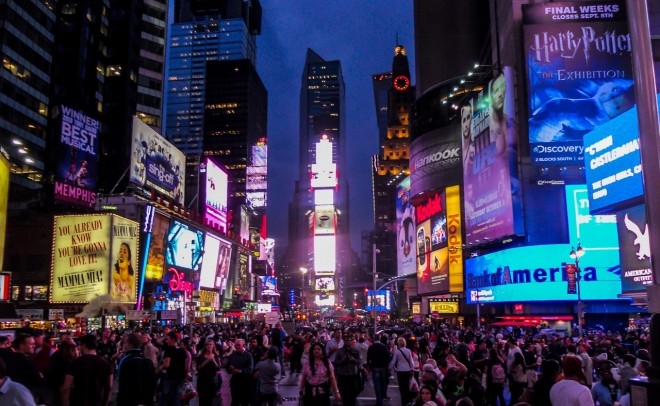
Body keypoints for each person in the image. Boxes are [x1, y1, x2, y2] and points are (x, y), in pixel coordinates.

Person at [61, 334, 113, 406]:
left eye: (80, 345)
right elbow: (109, 387)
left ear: (84, 345)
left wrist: (65, 403)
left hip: (78, 402)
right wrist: (105, 403)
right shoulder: (106, 364)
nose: (79, 348)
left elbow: (66, 387)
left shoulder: (74, 363)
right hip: (97, 402)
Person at [117, 333, 157, 406]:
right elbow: (153, 382)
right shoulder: (148, 361)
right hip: (145, 400)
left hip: (130, 400)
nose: (123, 345)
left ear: (130, 344)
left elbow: (122, 385)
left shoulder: (125, 360)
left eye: (125, 343)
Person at [300, 342, 340, 406]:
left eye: (318, 349)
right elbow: (303, 378)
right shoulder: (307, 363)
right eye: (314, 349)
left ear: (322, 351)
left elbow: (332, 378)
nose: (316, 351)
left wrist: (336, 392)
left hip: (323, 392)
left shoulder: (327, 363)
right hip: (309, 392)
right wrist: (301, 392)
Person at [158, 332, 190, 406]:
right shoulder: (182, 350)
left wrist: (159, 369)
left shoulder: (169, 350)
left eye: (168, 339)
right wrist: (186, 375)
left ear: (173, 340)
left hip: (170, 376)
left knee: (164, 396)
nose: (166, 341)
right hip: (180, 377)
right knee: (177, 397)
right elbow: (186, 365)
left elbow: (166, 364)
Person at [334, 334, 362, 406]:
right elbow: (336, 362)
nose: (348, 342)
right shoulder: (340, 351)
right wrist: (342, 360)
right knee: (344, 392)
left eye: (349, 340)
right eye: (346, 341)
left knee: (353, 392)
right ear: (344, 342)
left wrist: (352, 359)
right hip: (343, 374)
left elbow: (359, 361)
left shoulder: (355, 351)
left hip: (353, 374)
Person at [389, 337, 416, 406]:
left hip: (400, 371)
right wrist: (412, 369)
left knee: (401, 387)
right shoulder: (408, 351)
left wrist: (389, 368)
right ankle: (408, 401)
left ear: (398, 343)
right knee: (407, 386)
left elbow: (393, 362)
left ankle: (403, 401)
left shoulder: (397, 351)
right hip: (407, 370)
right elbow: (411, 361)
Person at [226, 338, 253, 406]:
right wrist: (230, 368)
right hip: (235, 382)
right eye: (236, 345)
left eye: (238, 345)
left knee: (245, 402)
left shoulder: (248, 355)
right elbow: (227, 367)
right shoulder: (233, 355)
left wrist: (240, 371)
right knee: (235, 401)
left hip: (245, 382)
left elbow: (250, 369)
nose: (237, 347)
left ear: (243, 345)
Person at [196, 339, 221, 406]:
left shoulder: (215, 356)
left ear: (213, 346)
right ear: (205, 346)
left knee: (211, 400)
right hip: (202, 381)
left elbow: (218, 368)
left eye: (210, 344)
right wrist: (206, 361)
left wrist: (213, 361)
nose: (209, 346)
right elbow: (198, 368)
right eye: (207, 344)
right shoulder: (201, 356)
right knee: (202, 400)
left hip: (212, 381)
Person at [367, 335, 391, 406]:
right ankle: (383, 396)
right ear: (379, 339)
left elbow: (368, 358)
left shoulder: (371, 347)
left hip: (375, 367)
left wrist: (369, 367)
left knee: (377, 384)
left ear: (374, 339)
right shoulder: (384, 347)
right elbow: (388, 358)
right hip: (383, 367)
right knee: (383, 383)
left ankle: (379, 399)